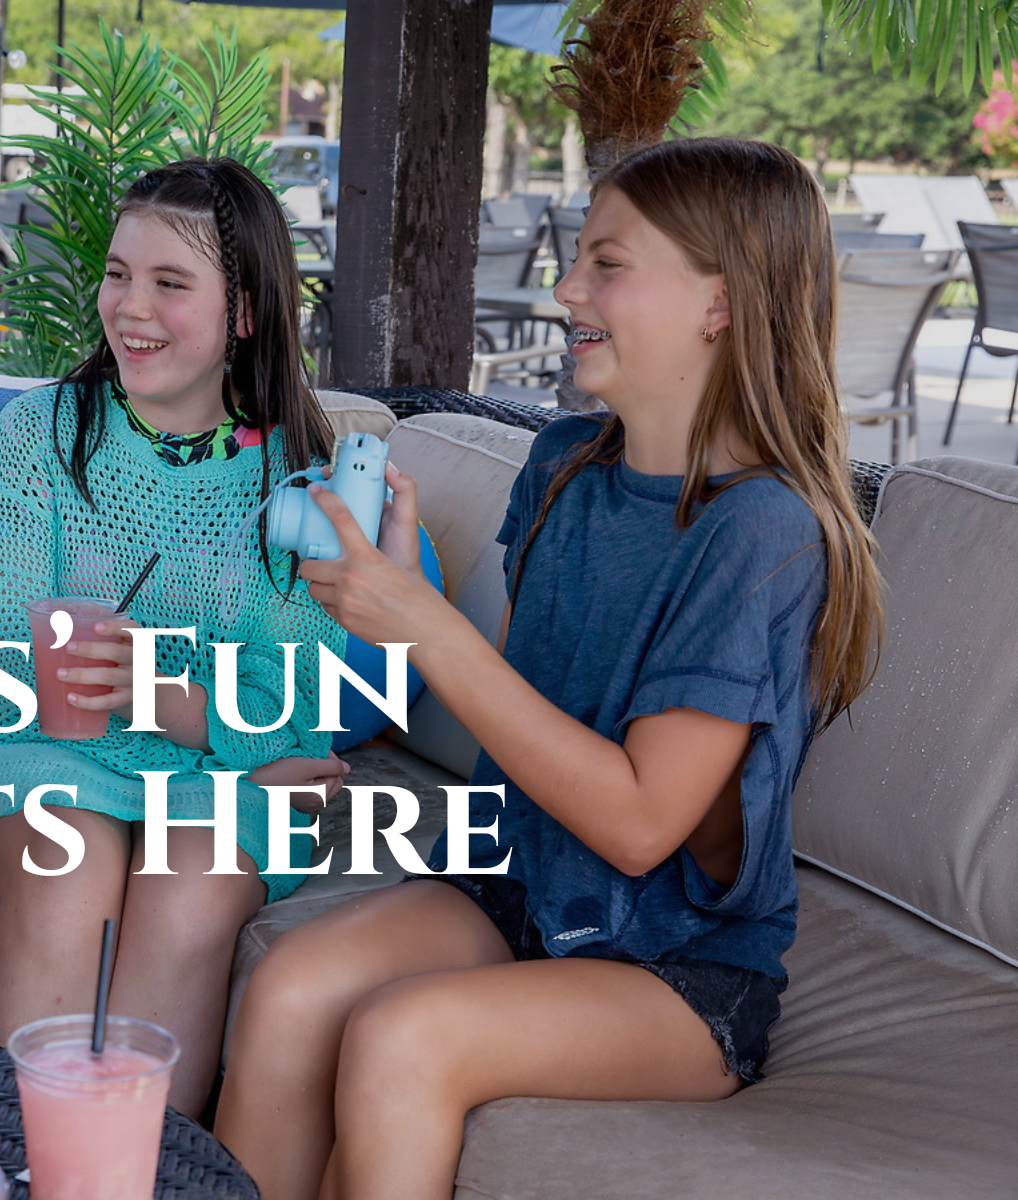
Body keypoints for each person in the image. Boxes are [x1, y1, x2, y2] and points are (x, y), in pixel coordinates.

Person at [214, 138, 885, 1200]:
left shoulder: (762, 532)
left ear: (720, 302)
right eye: (575, 259)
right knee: (291, 988)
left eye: (606, 264)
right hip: (517, 885)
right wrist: (396, 615)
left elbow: (640, 822)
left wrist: (429, 629)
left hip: (672, 964)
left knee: (404, 1035)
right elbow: (529, 718)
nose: (566, 288)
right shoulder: (562, 466)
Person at [0, 158, 379, 1115]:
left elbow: (290, 716)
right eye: (118, 273)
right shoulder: (40, 435)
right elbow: (13, 676)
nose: (129, 307)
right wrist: (207, 725)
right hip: (53, 751)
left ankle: (145, 1169)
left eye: (170, 283)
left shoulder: (303, 481)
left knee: (187, 893)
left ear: (245, 312)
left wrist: (153, 693)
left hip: (221, 779)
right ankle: (2, 1156)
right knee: (66, 876)